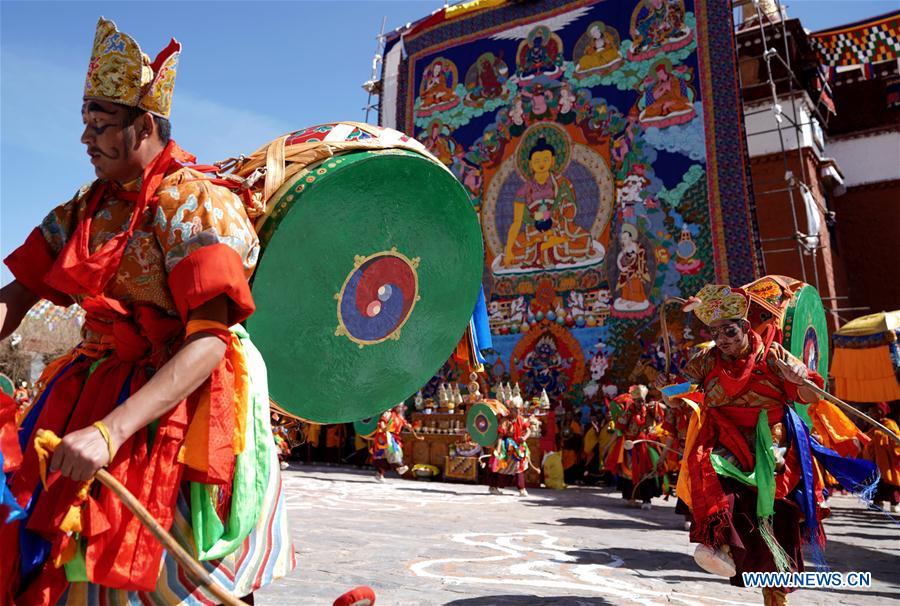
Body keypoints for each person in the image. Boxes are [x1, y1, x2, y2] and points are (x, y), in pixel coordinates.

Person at [0, 19, 294, 603]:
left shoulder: (195, 203)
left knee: (175, 577)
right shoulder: (85, 207)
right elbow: (16, 295)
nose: (85, 139)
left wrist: (108, 433)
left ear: (145, 125)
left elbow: (208, 340)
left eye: (101, 125)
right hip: (94, 383)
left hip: (185, 397)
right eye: (85, 124)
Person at [663, 284, 877, 606]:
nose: (723, 340)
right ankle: (720, 544)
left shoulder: (774, 356)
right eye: (716, 333)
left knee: (777, 514)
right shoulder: (705, 361)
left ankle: (775, 595)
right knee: (713, 476)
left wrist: (798, 377)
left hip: (773, 442)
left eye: (729, 331)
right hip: (726, 439)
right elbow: (682, 395)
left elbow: (810, 396)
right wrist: (668, 392)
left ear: (745, 326)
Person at [487, 400, 532, 496]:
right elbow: (500, 436)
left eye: (518, 410)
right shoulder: (505, 421)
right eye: (515, 410)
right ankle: (493, 487)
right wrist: (498, 450)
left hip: (518, 447)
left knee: (519, 467)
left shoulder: (521, 419)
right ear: (510, 410)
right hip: (506, 447)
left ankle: (522, 489)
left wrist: (524, 438)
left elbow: (528, 430)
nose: (517, 412)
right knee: (498, 466)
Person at [370, 403, 422, 481]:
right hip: (385, 437)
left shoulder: (400, 417)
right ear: (396, 406)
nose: (402, 408)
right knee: (389, 453)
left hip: (393, 438)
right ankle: (399, 466)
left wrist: (413, 426)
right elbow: (382, 422)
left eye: (402, 407)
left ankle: (384, 472)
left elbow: (406, 425)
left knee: (388, 455)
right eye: (400, 407)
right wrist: (383, 428)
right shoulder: (388, 414)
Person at [863, 402, 900, 513]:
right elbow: (867, 439)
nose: (870, 414)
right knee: (877, 482)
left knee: (891, 482)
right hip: (876, 460)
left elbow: (896, 438)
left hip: (888, 460)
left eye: (872, 412)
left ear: (879, 412)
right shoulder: (874, 426)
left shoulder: (889, 423)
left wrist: (879, 435)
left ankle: (895, 503)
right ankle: (878, 503)